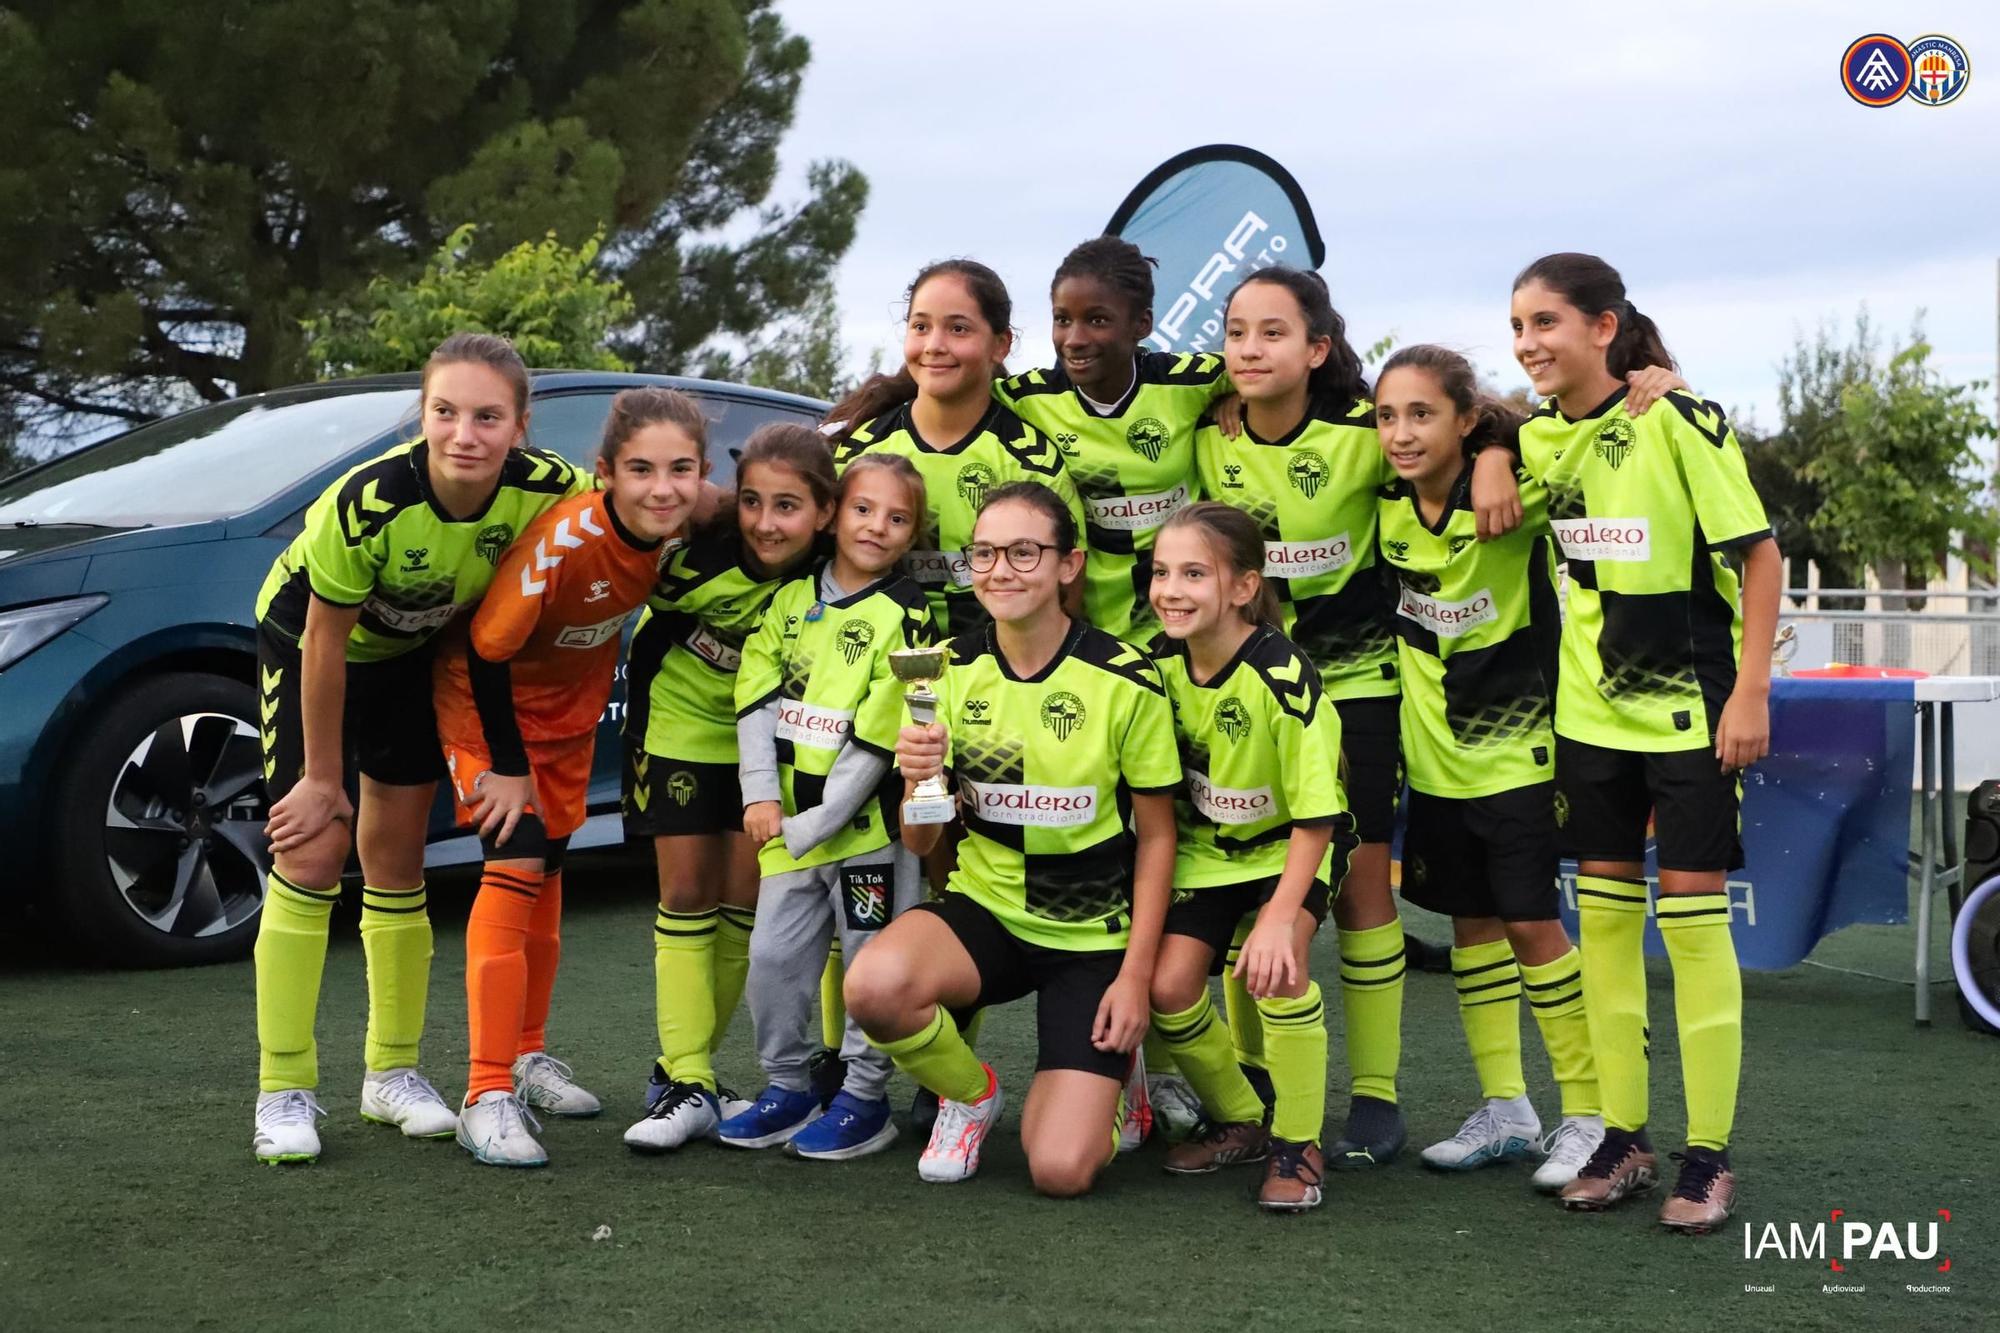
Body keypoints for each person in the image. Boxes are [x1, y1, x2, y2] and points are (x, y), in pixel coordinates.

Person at [250, 332, 588, 1164]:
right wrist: (323, 779)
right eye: (445, 412)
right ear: (423, 416)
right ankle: (282, 1089)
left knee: (398, 857)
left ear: (520, 426)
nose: (464, 434)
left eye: (486, 416)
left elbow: (624, 517)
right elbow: (324, 646)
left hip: (408, 658)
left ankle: (389, 1074)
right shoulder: (371, 500)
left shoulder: (549, 487)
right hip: (311, 650)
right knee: (317, 845)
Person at [1510, 252, 1779, 1232]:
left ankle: (1706, 1156)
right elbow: (1481, 432)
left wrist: (1748, 691)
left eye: (1545, 322)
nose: (1528, 343)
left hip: (1691, 712)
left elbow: (1756, 554)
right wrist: (1498, 451)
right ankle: (1623, 1137)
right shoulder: (1534, 438)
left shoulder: (1677, 418)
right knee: (1608, 929)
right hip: (1586, 723)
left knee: (1694, 927)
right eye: (1515, 327)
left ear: (1602, 326)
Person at [843, 482, 1180, 1195]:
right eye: (986, 553)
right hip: (987, 911)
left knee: (1059, 1170)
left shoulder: (1125, 676)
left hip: (1091, 933)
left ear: (1068, 564)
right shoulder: (943, 669)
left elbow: (1156, 841)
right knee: (873, 985)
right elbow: (916, 836)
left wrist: (1134, 976)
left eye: (1024, 551)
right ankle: (969, 1094)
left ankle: (1126, 1074)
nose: (1001, 570)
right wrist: (920, 780)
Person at [993, 235, 1232, 1140]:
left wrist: (1489, 437)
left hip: (1179, 664)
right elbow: (928, 386)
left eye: (1097, 319)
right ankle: (1108, 1066)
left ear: (1142, 322)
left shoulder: (1193, 380)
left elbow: (1320, 379)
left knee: (1173, 861)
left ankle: (1165, 1065)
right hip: (1083, 669)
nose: (1076, 337)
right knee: (1097, 859)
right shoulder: (1031, 395)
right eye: (1062, 320)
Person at [434, 387, 707, 1166]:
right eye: (642, 469)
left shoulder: (681, 518)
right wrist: (509, 768)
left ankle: (526, 1057)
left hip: (570, 722)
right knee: (515, 862)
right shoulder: (569, 536)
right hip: (488, 714)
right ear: (605, 473)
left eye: (680, 469)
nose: (663, 486)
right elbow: (486, 651)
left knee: (551, 871)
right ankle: (484, 1093)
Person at [1371, 346, 1603, 1194]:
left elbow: (1564, 433)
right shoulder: (1383, 502)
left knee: (1533, 926)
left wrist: (1503, 446)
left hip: (1519, 756)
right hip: (1432, 768)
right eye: (1388, 415)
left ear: (1466, 419)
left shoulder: (1510, 492)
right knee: (1473, 926)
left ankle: (1590, 1112)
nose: (1401, 433)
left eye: (1423, 413)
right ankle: (1507, 1108)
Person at [714, 453, 936, 1160]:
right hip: (785, 832)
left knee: (870, 964)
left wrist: (817, 821)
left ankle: (866, 1097)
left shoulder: (910, 614)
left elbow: (881, 733)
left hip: (865, 838)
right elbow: (755, 693)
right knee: (772, 959)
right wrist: (759, 793)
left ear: (914, 532)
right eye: (865, 509)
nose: (878, 526)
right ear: (835, 514)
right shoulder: (789, 601)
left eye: (898, 518)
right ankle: (787, 1084)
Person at [622, 425, 837, 1153]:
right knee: (686, 893)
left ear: (824, 513)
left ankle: (679, 1075)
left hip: (767, 744)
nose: (766, 522)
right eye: (751, 502)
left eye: (786, 506)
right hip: (679, 721)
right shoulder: (700, 553)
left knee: (744, 900)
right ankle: (689, 1074)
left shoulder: (833, 574)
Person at [1145, 502, 1357, 1211]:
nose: (1172, 589)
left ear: (1241, 587)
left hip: (1291, 849)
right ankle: (1245, 1118)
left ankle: (1299, 1141)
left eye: (1194, 573)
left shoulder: (1282, 674)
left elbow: (1318, 814)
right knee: (1170, 988)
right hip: (1208, 854)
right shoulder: (1156, 666)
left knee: (1279, 969)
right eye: (1162, 572)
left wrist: (1280, 915)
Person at [827, 258, 1087, 638]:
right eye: (921, 327)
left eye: (958, 329)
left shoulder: (1032, 461)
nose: (934, 345)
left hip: (990, 677)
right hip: (877, 674)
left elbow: (1067, 589)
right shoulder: (859, 452)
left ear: (1000, 344)